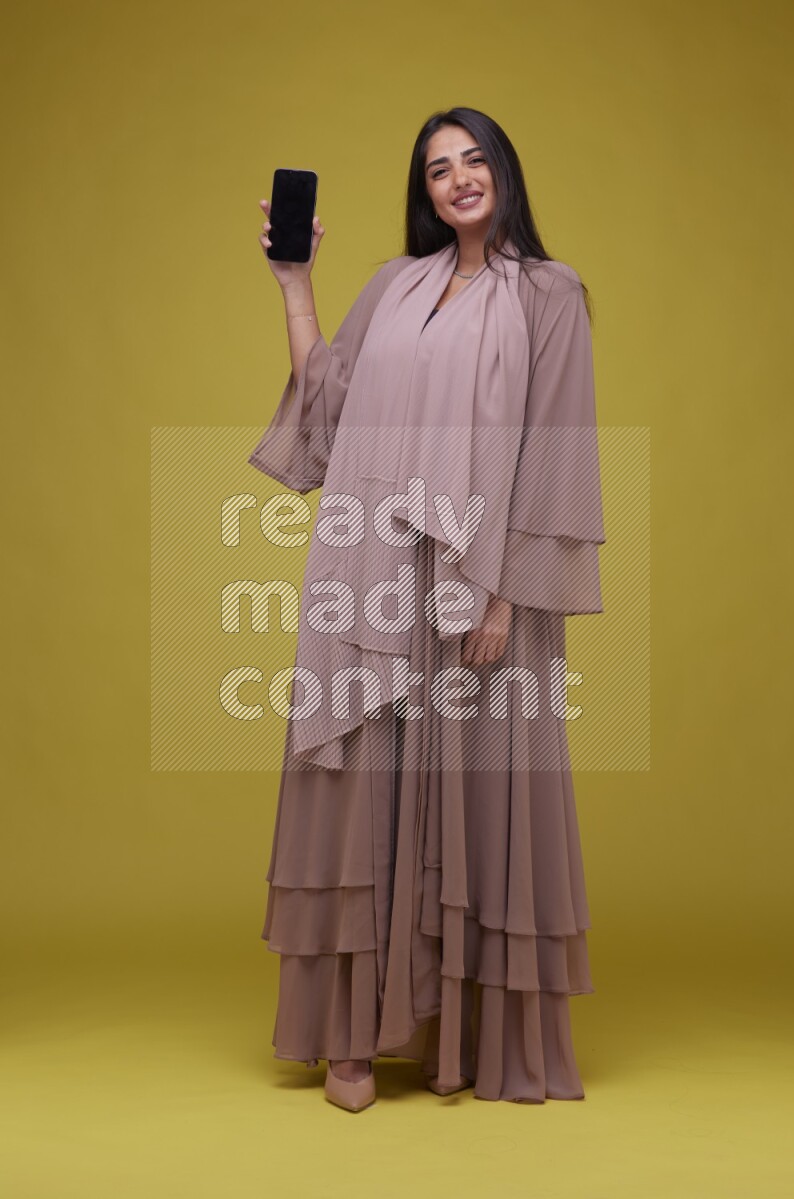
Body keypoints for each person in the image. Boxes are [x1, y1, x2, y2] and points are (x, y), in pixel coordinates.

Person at [248, 106, 605, 1111]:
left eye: (473, 159)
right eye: (439, 167)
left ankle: (467, 1035)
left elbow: (553, 445)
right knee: (364, 783)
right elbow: (327, 399)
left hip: (484, 578)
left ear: (503, 170)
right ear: (426, 191)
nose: (458, 178)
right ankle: (353, 1037)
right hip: (373, 566)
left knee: (474, 786)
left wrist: (499, 590)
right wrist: (294, 283)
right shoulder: (394, 285)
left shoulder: (548, 293)